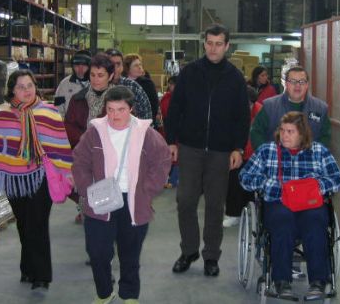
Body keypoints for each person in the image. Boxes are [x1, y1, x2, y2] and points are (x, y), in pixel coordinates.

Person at [0, 69, 73, 290]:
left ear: (35, 87)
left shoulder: (49, 112)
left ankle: (42, 276)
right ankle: (27, 268)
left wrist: (67, 173)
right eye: (20, 87)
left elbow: (60, 145)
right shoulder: (3, 117)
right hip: (13, 179)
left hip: (42, 178)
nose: (26, 91)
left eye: (29, 85)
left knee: (37, 225)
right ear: (12, 91)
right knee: (24, 225)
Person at [165, 24, 250, 277]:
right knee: (185, 201)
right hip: (190, 148)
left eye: (218, 43)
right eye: (209, 43)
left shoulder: (235, 78)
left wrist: (237, 148)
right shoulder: (190, 73)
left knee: (215, 205)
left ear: (226, 46)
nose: (213, 48)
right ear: (204, 44)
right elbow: (175, 109)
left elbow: (242, 118)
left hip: (220, 152)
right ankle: (189, 250)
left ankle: (211, 256)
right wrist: (171, 141)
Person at [72, 86, 171, 304]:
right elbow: (79, 162)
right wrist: (89, 189)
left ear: (131, 109)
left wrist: (147, 189)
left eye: (121, 109)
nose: (115, 115)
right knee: (97, 252)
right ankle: (104, 292)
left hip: (134, 202)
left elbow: (162, 161)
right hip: (101, 199)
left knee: (130, 254)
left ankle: (129, 294)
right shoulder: (94, 132)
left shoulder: (145, 133)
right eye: (110, 109)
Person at [240, 111, 340, 301]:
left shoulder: (319, 152)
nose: (284, 135)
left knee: (316, 222)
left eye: (290, 131)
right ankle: (281, 281)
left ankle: (319, 281)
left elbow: (337, 179)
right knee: (282, 220)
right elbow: (245, 177)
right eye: (282, 130)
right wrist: (270, 185)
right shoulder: (267, 151)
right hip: (279, 201)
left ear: (302, 134)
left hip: (309, 203)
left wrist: (316, 187)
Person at [250, 66, 330, 150]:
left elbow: (325, 137)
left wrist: (312, 155)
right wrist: (268, 154)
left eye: (302, 82)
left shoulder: (320, 108)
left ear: (307, 85)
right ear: (286, 84)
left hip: (308, 161)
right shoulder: (269, 107)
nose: (297, 85)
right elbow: (256, 133)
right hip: (276, 161)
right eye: (293, 81)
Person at [222, 85, 261, 227]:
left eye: (251, 104)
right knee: (233, 182)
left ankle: (253, 210)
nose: (248, 107)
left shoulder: (260, 111)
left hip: (254, 155)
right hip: (235, 153)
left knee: (253, 183)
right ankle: (233, 213)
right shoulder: (230, 111)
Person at [104, 48, 152, 121]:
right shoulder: (96, 87)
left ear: (122, 67)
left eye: (118, 64)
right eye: (111, 64)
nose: (115, 68)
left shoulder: (133, 86)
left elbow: (146, 116)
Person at [123, 53, 160, 129]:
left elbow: (154, 105)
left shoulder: (147, 83)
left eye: (140, 65)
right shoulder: (122, 83)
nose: (140, 67)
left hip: (144, 124)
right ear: (127, 68)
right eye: (136, 65)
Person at [54, 50, 91, 118]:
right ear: (72, 66)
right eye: (77, 65)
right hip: (69, 125)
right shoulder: (64, 84)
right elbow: (58, 107)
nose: (80, 69)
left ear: (89, 66)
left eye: (84, 65)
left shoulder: (96, 83)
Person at [159, 75, 178, 187]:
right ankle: (170, 179)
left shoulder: (169, 98)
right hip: (168, 131)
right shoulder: (167, 98)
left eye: (173, 84)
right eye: (170, 84)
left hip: (172, 132)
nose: (171, 86)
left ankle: (171, 179)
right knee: (171, 157)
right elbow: (165, 113)